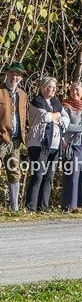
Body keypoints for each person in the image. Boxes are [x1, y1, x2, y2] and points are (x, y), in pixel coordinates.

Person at [0, 62, 28, 213]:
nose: (14, 78)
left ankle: (14, 207)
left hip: (16, 140)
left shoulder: (23, 95)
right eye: (12, 74)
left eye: (18, 76)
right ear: (7, 74)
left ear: (21, 78)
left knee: (14, 172)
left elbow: (23, 117)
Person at [24, 77, 67, 212]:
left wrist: (57, 117)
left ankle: (43, 206)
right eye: (50, 87)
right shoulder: (37, 102)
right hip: (38, 144)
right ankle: (31, 206)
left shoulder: (56, 103)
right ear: (43, 88)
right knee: (38, 175)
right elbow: (45, 117)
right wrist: (58, 115)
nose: (53, 90)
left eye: (54, 87)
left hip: (54, 145)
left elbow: (66, 118)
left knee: (49, 176)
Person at [60, 82, 82, 212]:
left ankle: (79, 204)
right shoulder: (66, 107)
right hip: (72, 145)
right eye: (73, 90)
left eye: (77, 90)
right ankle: (69, 205)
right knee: (72, 174)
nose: (75, 92)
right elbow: (67, 126)